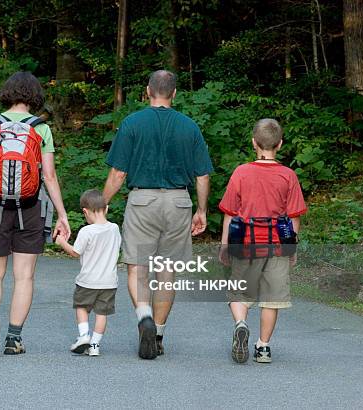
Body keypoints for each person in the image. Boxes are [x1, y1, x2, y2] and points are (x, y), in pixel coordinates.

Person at [103, 70, 213, 360]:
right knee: (167, 273)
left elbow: (118, 173)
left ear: (148, 91)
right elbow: (202, 175)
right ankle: (159, 334)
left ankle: (144, 317)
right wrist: (201, 210)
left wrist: (102, 203)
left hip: (142, 201)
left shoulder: (132, 123)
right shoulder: (189, 127)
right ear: (174, 93)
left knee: (138, 268)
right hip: (178, 202)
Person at [0, 71, 70, 355]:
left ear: (7, 93)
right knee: (24, 276)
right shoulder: (41, 129)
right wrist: (62, 214)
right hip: (30, 208)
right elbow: (49, 176)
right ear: (34, 95)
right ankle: (13, 339)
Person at [218, 118, 307, 364]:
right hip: (277, 245)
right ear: (279, 144)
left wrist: (225, 245)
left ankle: (240, 323)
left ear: (253, 143)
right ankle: (263, 347)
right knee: (272, 297)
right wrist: (291, 247)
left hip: (244, 242)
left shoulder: (241, 172)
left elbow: (230, 212)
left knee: (238, 292)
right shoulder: (288, 176)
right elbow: (294, 218)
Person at [55, 189, 121, 357]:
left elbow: (76, 252)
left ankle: (84, 336)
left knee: (81, 307)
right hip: (109, 282)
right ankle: (94, 345)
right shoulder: (114, 229)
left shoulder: (87, 231)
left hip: (87, 281)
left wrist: (62, 242)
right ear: (106, 209)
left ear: (85, 212)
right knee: (102, 313)